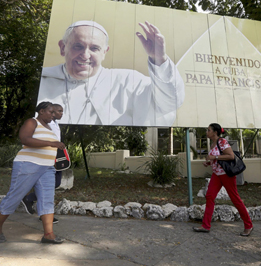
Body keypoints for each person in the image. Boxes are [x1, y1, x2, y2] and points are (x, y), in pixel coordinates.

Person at [37, 20, 185, 126]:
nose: (85, 55)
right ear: (63, 48)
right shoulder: (42, 79)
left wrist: (159, 59)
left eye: (94, 48)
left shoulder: (128, 81)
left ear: (104, 52)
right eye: (78, 46)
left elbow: (170, 102)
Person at [0, 102, 65, 244]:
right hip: (28, 164)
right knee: (15, 196)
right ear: (41, 111)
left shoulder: (50, 127)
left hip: (47, 167)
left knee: (47, 199)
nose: (53, 115)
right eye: (51, 112)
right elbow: (25, 139)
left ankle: (48, 234)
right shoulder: (32, 122)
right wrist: (52, 143)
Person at [192, 123, 253, 236]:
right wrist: (208, 162)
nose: (207, 132)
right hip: (216, 174)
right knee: (209, 196)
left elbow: (230, 156)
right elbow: (216, 159)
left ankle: (248, 225)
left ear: (215, 132)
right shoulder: (213, 144)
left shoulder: (222, 142)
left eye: (209, 130)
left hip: (226, 175)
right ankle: (205, 225)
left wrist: (214, 157)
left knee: (235, 199)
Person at [21, 104, 64, 224]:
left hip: (53, 157)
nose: (61, 114)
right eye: (58, 111)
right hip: (44, 159)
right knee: (47, 187)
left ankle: (33, 202)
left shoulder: (55, 124)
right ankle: (33, 203)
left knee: (53, 185)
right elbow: (29, 140)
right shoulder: (42, 123)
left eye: (62, 111)